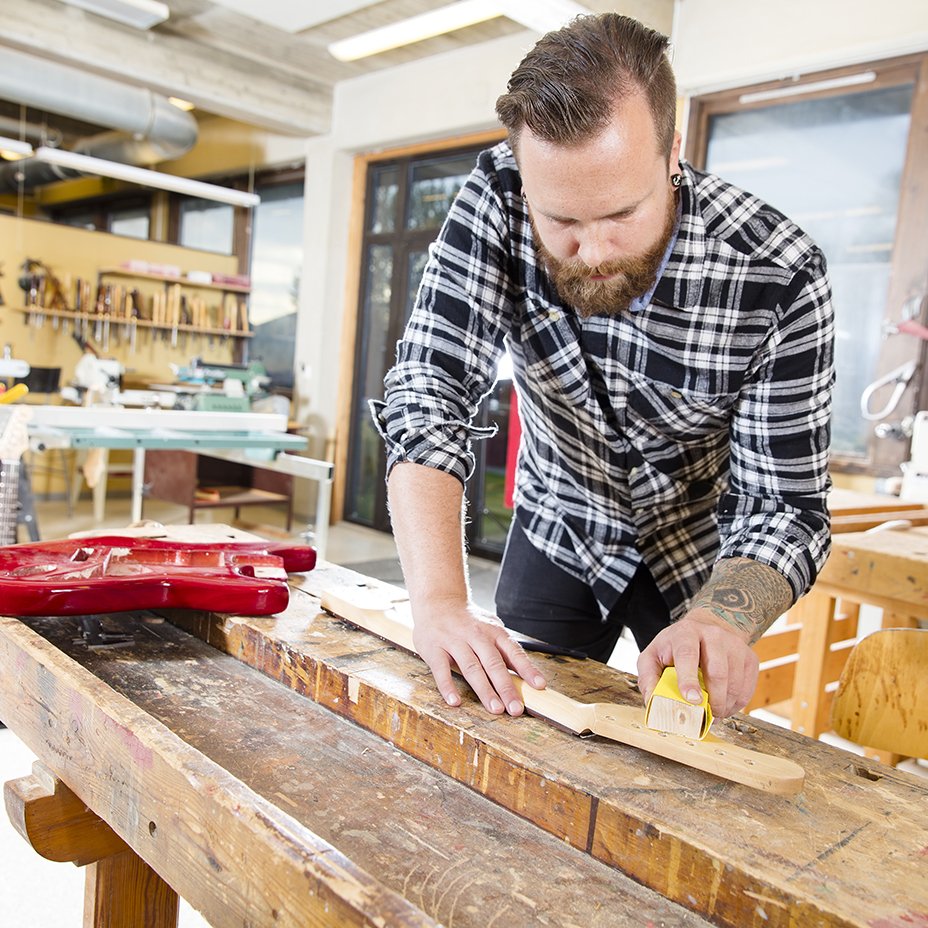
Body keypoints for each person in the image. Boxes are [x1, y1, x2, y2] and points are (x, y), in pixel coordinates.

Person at [372, 13, 834, 722]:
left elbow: (783, 507)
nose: (591, 253)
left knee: (685, 744)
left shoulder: (778, 274)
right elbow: (430, 390)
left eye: (621, 213)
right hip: (561, 520)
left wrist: (720, 621)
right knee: (510, 719)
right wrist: (437, 603)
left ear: (672, 153)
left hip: (697, 554)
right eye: (560, 221)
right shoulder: (498, 194)